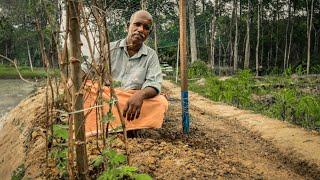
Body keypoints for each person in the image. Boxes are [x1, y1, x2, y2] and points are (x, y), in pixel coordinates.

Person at [81, 10, 168, 136]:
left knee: (160, 102)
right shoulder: (109, 49)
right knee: (86, 88)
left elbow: (154, 83)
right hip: (108, 98)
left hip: (133, 101)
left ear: (149, 32)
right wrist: (72, 82)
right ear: (128, 26)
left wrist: (140, 95)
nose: (140, 29)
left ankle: (123, 126)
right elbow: (87, 69)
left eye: (146, 27)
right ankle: (122, 126)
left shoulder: (151, 55)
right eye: (137, 24)